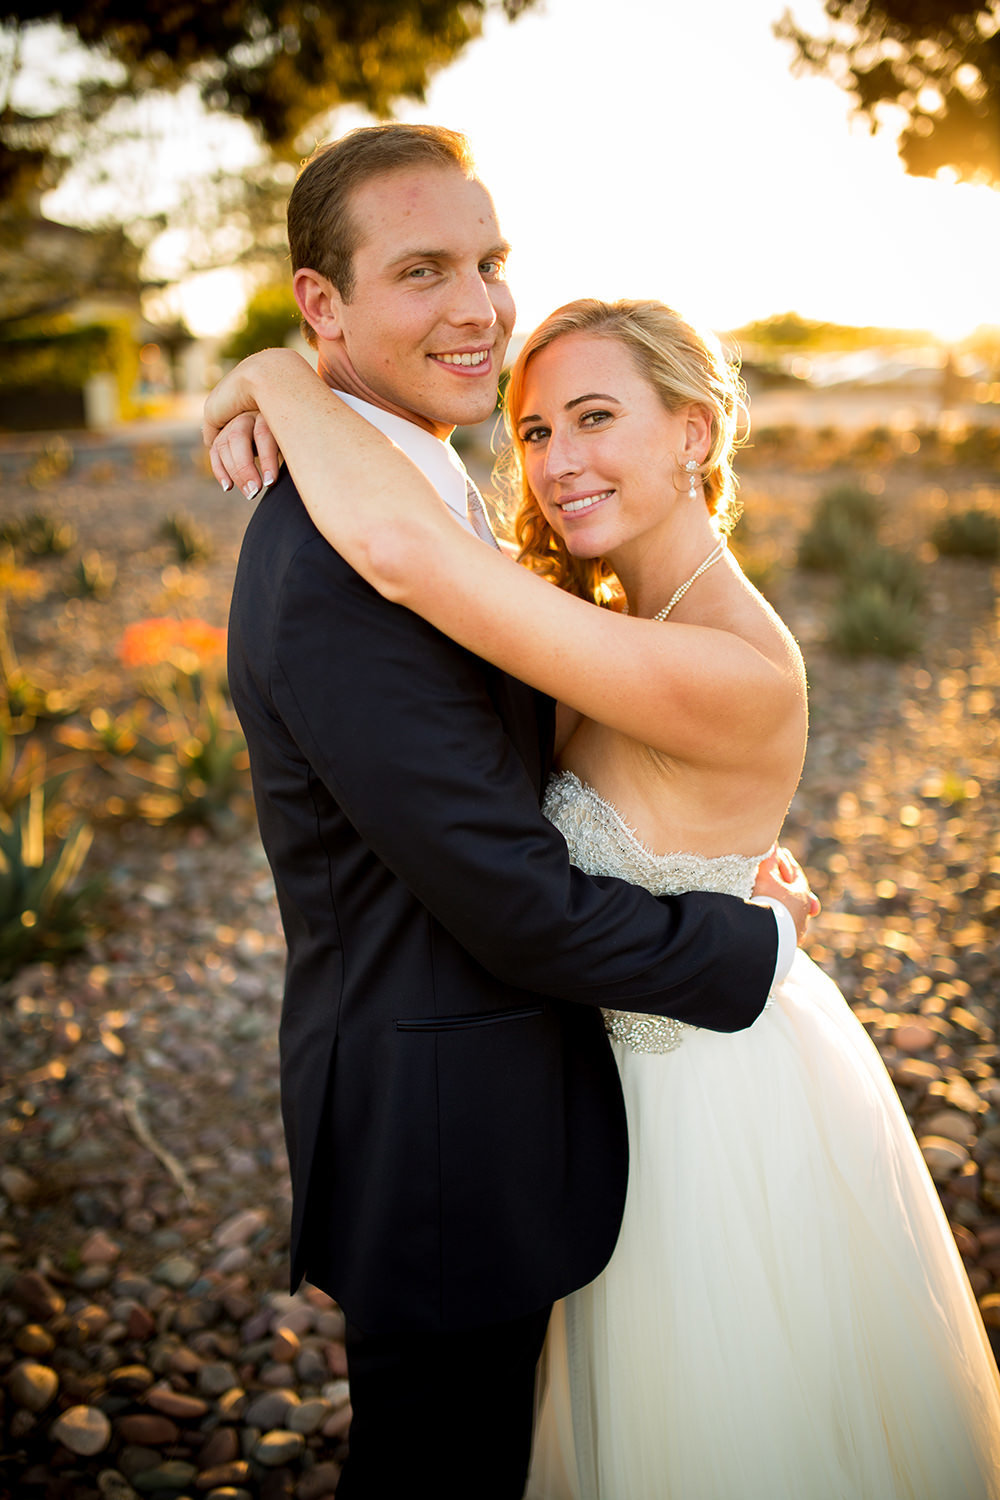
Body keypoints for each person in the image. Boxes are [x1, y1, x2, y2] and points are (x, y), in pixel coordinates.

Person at [206, 293, 1000, 1497]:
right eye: (530, 433)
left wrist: (276, 373)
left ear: (693, 433)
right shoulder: (609, 616)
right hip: (573, 1104)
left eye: (593, 418)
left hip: (703, 1110)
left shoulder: (726, 662)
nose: (558, 461)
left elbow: (408, 552)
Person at [208, 125, 811, 1500]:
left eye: (490, 262)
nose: (479, 307)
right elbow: (512, 899)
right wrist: (751, 946)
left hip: (525, 1114)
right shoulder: (342, 561)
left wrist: (687, 842)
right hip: (446, 1141)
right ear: (326, 307)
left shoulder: (424, 494)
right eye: (423, 270)